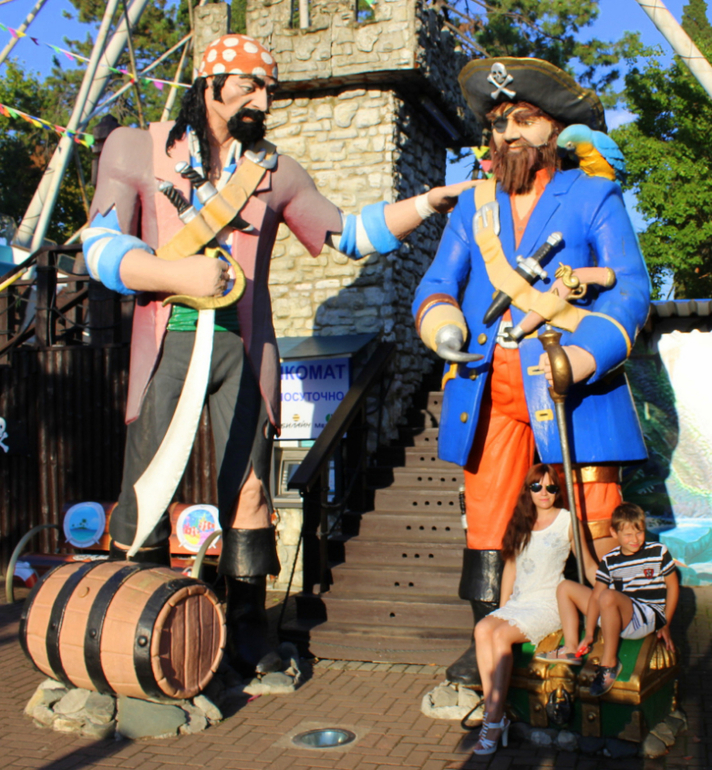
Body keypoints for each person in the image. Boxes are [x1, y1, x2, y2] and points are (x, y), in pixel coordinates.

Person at [81, 33, 473, 674]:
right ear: (211, 84)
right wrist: (174, 274)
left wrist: (427, 202)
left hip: (244, 348)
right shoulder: (135, 147)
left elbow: (351, 234)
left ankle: (248, 631)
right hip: (168, 340)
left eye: (268, 89)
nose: (263, 101)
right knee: (147, 488)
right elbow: (99, 245)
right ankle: (135, 629)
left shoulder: (276, 172)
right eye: (249, 86)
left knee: (251, 490)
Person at [411, 57, 650, 685]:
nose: (508, 133)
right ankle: (492, 646)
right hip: (488, 389)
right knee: (490, 524)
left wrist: (584, 355)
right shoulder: (473, 207)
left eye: (523, 118)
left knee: (595, 520)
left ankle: (609, 653)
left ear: (554, 129)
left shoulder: (592, 195)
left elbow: (630, 288)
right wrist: (442, 322)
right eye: (498, 123)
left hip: (572, 388)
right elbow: (438, 282)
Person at [472, 463, 597, 755]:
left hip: (549, 601)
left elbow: (589, 565)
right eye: (537, 486)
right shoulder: (521, 521)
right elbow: (510, 568)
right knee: (483, 629)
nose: (544, 492)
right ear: (528, 490)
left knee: (500, 636)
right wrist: (503, 609)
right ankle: (493, 711)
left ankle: (493, 720)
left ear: (558, 491)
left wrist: (612, 591)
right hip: (520, 602)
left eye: (551, 487)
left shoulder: (567, 521)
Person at [536, 502, 679, 697]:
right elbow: (596, 595)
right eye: (627, 535)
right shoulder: (610, 560)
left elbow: (673, 587)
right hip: (615, 611)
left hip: (644, 617)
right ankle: (571, 647)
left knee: (608, 595)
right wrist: (589, 633)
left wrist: (666, 623)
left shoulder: (658, 552)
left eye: (639, 533)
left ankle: (609, 663)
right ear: (614, 533)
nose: (634, 539)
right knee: (565, 587)